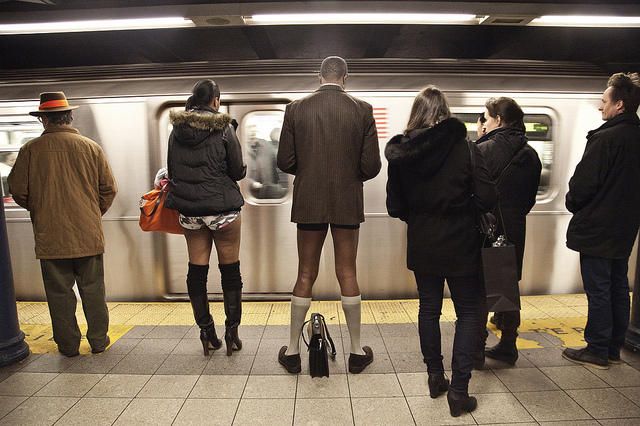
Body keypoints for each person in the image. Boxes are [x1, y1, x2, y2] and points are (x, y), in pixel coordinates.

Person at [385, 86, 496, 417]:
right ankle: (459, 392)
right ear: (446, 112)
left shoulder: (403, 155)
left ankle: (435, 375)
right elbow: (488, 198)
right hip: (461, 242)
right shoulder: (466, 149)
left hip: (423, 241)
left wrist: (420, 217)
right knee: (469, 312)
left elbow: (395, 206)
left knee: (429, 308)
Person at [276, 56, 381, 374]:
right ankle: (356, 351)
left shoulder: (296, 108)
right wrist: (347, 175)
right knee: (347, 272)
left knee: (305, 272)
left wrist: (309, 171)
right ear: (346, 78)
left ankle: (293, 352)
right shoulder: (362, 109)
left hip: (309, 199)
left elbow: (285, 160)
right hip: (347, 200)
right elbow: (371, 166)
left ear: (318, 76)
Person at [8, 92, 117, 357]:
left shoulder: (30, 150)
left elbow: (18, 190)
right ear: (69, 117)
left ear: (44, 119)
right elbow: (109, 189)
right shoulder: (91, 148)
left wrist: (43, 209)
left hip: (51, 236)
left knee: (59, 295)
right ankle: (99, 341)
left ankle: (68, 346)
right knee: (93, 291)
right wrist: (92, 212)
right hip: (88, 234)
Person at [563, 72, 640, 369]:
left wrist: (573, 203)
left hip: (597, 228)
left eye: (604, 101)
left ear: (619, 105)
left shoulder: (605, 138)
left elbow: (582, 186)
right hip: (624, 229)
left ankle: (596, 348)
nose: (600, 106)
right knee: (619, 287)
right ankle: (611, 347)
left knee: (598, 290)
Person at [165, 79, 247, 356]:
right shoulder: (224, 127)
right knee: (230, 269)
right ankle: (232, 333)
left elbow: (172, 171)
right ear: (215, 101)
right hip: (223, 211)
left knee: (197, 270)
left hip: (190, 212)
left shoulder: (176, 131)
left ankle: (206, 332)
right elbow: (237, 171)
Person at [476, 97, 542, 366]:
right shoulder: (530, 154)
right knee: (505, 286)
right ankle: (508, 344)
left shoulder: (483, 149)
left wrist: (479, 140)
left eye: (486, 118)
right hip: (513, 227)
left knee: (478, 289)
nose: (483, 123)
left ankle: (476, 348)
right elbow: (529, 199)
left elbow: (474, 191)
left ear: (498, 120)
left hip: (484, 229)